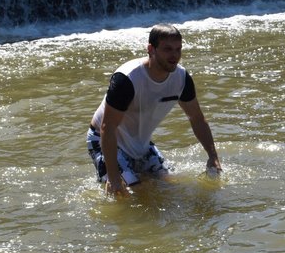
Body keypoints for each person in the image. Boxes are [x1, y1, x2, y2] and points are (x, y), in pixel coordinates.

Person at [87, 23, 221, 195]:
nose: (174, 56)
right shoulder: (127, 79)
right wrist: (113, 177)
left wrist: (213, 156)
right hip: (104, 139)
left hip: (141, 143)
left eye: (178, 49)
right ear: (151, 49)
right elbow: (108, 127)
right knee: (135, 195)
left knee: (170, 186)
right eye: (167, 49)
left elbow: (196, 118)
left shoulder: (181, 79)